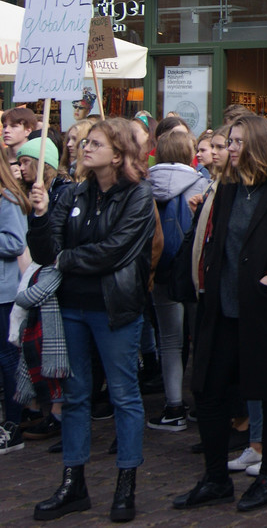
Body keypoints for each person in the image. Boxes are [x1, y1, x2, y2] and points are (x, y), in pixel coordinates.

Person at [174, 114, 267, 513]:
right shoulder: (225, 190)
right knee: (208, 392)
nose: (230, 149)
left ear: (255, 145)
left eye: (238, 141)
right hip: (221, 311)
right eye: (229, 141)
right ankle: (215, 478)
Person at [28, 119, 156, 522]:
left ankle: (125, 484)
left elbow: (115, 251)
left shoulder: (137, 196)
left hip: (114, 310)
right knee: (76, 395)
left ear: (117, 155)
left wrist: (67, 259)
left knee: (123, 395)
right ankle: (73, 483)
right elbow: (48, 249)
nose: (83, 148)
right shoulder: (73, 192)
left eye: (94, 143)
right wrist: (40, 215)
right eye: (84, 142)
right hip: (71, 308)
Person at [146, 132, 208, 432]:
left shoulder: (146, 186)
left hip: (162, 271)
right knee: (199, 337)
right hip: (194, 271)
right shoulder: (202, 183)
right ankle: (200, 401)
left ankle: (173, 407)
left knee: (169, 341)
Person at [0, 156, 28, 456]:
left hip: (4, 291)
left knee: (8, 359)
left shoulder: (7, 198)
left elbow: (15, 242)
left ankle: (14, 422)